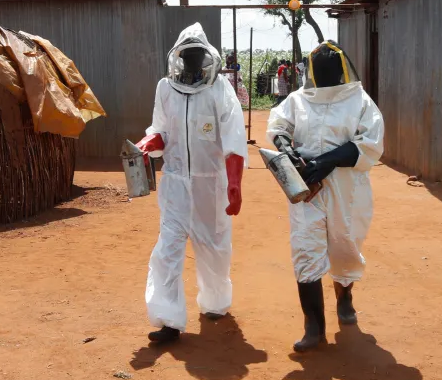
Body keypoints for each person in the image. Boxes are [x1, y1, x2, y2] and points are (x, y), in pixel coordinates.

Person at [266, 40, 384, 353]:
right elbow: (278, 126)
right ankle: (313, 327)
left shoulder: (359, 100)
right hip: (306, 187)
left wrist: (328, 161)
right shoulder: (297, 99)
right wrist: (287, 149)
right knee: (306, 249)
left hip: (347, 190)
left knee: (345, 246)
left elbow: (370, 143)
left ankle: (344, 297)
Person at [135, 23, 247, 344]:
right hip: (175, 186)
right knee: (167, 250)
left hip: (210, 186)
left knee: (213, 250)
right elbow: (161, 132)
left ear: (207, 57)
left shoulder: (220, 90)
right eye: (187, 55)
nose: (192, 60)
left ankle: (214, 300)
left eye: (197, 54)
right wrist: (148, 144)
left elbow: (234, 139)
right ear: (179, 58)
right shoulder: (165, 89)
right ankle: (168, 319)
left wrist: (234, 184)